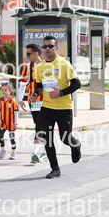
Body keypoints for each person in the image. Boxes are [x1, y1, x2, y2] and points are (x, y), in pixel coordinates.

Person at [29, 36, 82, 179]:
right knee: (47, 138)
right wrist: (35, 94)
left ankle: (75, 145)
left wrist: (61, 93)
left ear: (56, 48)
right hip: (46, 108)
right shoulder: (40, 66)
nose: (47, 49)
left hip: (63, 108)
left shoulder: (64, 64)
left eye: (50, 46)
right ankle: (55, 169)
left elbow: (77, 84)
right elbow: (39, 85)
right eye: (45, 46)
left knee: (65, 138)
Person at [19, 43, 46, 164]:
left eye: (29, 54)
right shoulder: (28, 67)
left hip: (45, 101)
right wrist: (20, 99)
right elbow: (22, 84)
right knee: (39, 124)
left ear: (36, 53)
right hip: (32, 101)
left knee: (39, 125)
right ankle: (45, 152)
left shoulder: (46, 65)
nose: (27, 56)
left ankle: (34, 152)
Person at [0, 82, 19, 160]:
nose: (4, 91)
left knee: (12, 138)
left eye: (6, 90)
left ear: (10, 91)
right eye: (2, 90)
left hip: (11, 123)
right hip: (3, 122)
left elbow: (16, 113)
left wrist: (16, 123)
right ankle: (3, 150)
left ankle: (13, 152)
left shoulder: (13, 101)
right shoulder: (0, 101)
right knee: (0, 136)